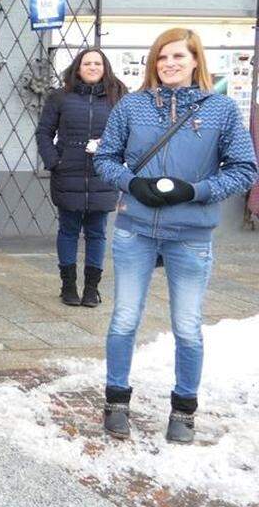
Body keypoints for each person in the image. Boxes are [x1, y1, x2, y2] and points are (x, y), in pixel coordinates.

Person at [94, 28, 256, 444]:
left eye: (178, 57)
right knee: (124, 320)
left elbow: (244, 168)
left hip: (190, 233)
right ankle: (116, 401)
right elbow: (106, 159)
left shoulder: (219, 109)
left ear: (196, 60)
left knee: (187, 327)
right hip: (136, 230)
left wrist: (197, 191)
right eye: (162, 57)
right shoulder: (132, 105)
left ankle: (184, 408)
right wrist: (132, 183)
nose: (169, 64)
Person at [35, 49, 127, 307]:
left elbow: (128, 134)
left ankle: (91, 289)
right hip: (69, 173)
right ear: (78, 67)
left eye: (98, 63)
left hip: (103, 174)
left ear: (105, 67)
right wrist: (55, 162)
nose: (92, 67)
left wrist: (113, 155)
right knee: (68, 231)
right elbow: (44, 132)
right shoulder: (60, 97)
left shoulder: (118, 97)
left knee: (97, 233)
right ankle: (68, 286)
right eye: (87, 63)